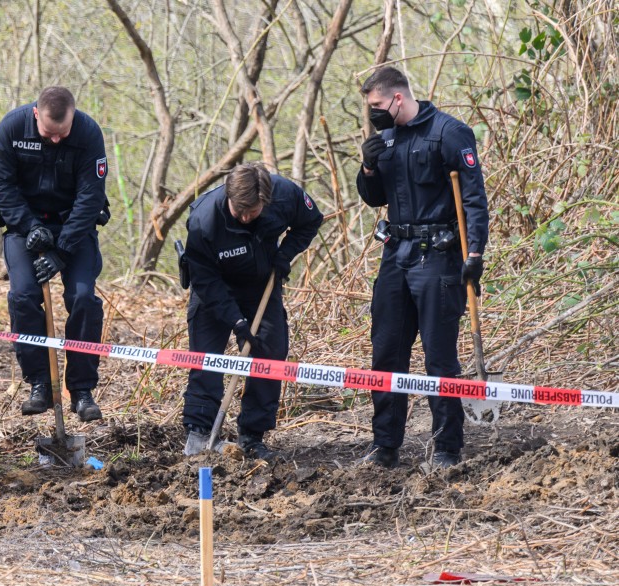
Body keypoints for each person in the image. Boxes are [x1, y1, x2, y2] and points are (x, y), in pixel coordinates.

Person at [355, 66, 489, 469]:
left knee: (439, 357)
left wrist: (476, 254)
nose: (373, 113)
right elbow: (373, 197)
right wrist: (367, 167)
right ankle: (385, 446)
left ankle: (447, 448)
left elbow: (474, 198)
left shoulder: (449, 132)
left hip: (439, 255)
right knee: (386, 352)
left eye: (377, 105)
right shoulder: (386, 138)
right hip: (395, 254)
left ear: (397, 98)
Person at [182, 162, 323, 459]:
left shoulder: (285, 195)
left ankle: (252, 435)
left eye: (254, 212)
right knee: (207, 357)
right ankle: (199, 433)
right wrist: (235, 320)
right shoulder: (204, 221)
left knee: (271, 353)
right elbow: (204, 279)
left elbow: (311, 221)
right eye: (240, 212)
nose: (246, 218)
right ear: (229, 198)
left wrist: (285, 254)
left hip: (261, 284)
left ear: (267, 202)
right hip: (215, 288)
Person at [0, 86, 110, 423]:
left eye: (63, 133)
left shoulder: (88, 134)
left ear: (74, 115)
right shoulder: (12, 128)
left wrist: (61, 251)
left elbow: (91, 198)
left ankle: (82, 390)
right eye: (49, 133)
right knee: (23, 296)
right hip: (23, 225)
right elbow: (0, 184)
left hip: (74, 227)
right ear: (36, 114)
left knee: (83, 298)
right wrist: (28, 225)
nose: (56, 140)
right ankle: (40, 382)